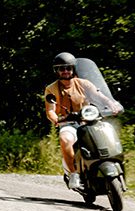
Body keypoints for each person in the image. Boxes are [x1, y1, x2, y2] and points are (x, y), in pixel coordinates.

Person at [44, 52, 121, 190]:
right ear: (57, 71)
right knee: (65, 139)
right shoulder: (51, 88)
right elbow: (50, 109)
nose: (66, 71)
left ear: (73, 69)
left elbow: (99, 95)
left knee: (105, 135)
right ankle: (74, 174)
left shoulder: (83, 83)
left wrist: (111, 104)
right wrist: (56, 119)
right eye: (62, 68)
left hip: (88, 120)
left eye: (68, 68)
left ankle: (109, 163)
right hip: (68, 122)